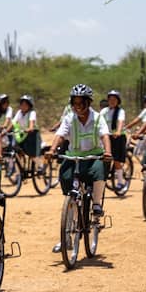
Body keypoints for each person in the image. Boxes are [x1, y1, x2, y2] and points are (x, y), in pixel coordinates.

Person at [45, 85, 112, 249]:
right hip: (74, 157)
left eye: (81, 103)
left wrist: (108, 152)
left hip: (93, 155)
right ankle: (69, 232)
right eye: (75, 103)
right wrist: (52, 150)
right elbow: (60, 135)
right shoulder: (69, 118)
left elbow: (104, 135)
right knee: (66, 178)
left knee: (99, 171)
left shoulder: (97, 118)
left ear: (88, 103)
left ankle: (96, 204)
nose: (78, 107)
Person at [99, 90, 127, 191]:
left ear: (118, 101)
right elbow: (98, 122)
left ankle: (120, 182)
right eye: (110, 99)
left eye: (114, 100)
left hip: (117, 137)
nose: (112, 101)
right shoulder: (104, 111)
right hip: (106, 136)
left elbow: (120, 121)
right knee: (102, 158)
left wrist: (118, 131)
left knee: (116, 160)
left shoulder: (120, 111)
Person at [13, 94, 43, 172]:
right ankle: (20, 171)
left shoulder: (32, 113)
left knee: (32, 154)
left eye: (25, 104)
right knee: (17, 151)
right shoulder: (19, 112)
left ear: (29, 105)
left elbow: (31, 124)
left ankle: (40, 166)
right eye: (22, 104)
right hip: (22, 134)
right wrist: (6, 130)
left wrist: (30, 128)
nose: (23, 106)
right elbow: (13, 123)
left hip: (32, 134)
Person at [125, 93, 146, 160]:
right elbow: (137, 120)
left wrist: (141, 132)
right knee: (140, 152)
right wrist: (126, 127)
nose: (145, 104)